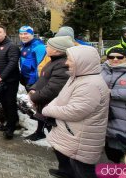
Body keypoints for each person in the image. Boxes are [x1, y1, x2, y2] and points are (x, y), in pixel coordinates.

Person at [43, 46, 110, 178]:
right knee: (67, 160)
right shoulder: (78, 77)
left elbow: (75, 111)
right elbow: (61, 97)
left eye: (69, 59)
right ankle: (66, 173)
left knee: (83, 170)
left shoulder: (90, 84)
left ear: (82, 61)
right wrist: (51, 105)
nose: (66, 62)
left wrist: (48, 110)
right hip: (72, 132)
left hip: (81, 136)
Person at [27, 36, 73, 141]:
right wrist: (33, 89)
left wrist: (35, 96)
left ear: (56, 49)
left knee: (53, 129)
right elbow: (43, 78)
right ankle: (40, 133)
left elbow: (54, 89)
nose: (45, 47)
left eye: (48, 46)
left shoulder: (63, 64)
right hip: (43, 100)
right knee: (43, 120)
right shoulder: (53, 61)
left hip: (51, 103)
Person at [0, 25, 21, 140]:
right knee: (4, 102)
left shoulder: (12, 46)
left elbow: (12, 63)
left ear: (4, 33)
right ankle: (12, 121)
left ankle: (10, 128)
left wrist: (1, 77)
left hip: (10, 80)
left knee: (10, 103)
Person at [18, 26, 46, 91]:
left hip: (34, 83)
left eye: (25, 33)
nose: (23, 36)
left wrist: (34, 83)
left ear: (32, 34)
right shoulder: (24, 45)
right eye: (21, 34)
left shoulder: (39, 46)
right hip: (26, 80)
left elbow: (41, 67)